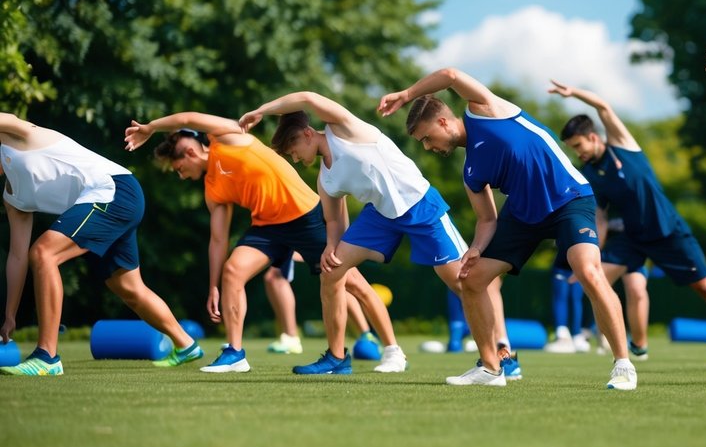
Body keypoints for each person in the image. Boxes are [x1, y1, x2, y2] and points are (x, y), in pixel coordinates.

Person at [381, 67, 638, 390]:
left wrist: (406, 95)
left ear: (443, 122)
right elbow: (488, 219)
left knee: (587, 270)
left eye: (427, 138)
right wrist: (474, 249)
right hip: (523, 215)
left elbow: (449, 74)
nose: (428, 147)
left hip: (569, 198)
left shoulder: (484, 111)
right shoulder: (471, 172)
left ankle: (624, 365)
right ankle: (491, 368)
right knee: (471, 280)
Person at [240, 92, 515, 378]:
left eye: (293, 150)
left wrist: (261, 110)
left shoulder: (344, 128)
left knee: (465, 282)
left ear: (308, 134)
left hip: (419, 205)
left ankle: (503, 353)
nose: (295, 158)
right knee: (331, 272)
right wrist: (331, 248)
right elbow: (334, 219)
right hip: (380, 216)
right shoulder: (326, 178)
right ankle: (336, 358)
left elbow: (308, 98)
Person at [124, 113, 395, 375]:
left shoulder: (227, 137)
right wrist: (213, 287)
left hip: (305, 215)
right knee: (233, 271)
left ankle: (393, 350)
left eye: (180, 169)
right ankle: (234, 354)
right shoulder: (212, 189)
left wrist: (150, 127)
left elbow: (186, 119)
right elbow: (218, 240)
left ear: (191, 153)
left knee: (353, 283)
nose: (182, 176)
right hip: (267, 227)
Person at [550, 80, 706, 360]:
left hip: (668, 231)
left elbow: (603, 106)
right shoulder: (589, 174)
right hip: (632, 237)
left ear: (593, 137)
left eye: (578, 145)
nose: (577, 152)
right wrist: (590, 257)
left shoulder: (622, 146)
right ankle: (621, 348)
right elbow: (601, 219)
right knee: (596, 279)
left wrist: (573, 93)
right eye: (572, 148)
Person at [1, 114, 202, 375]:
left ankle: (47, 357)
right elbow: (17, 257)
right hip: (111, 201)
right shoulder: (12, 197)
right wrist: (10, 315)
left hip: (114, 190)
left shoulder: (19, 135)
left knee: (44, 253)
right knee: (128, 287)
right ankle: (185, 344)